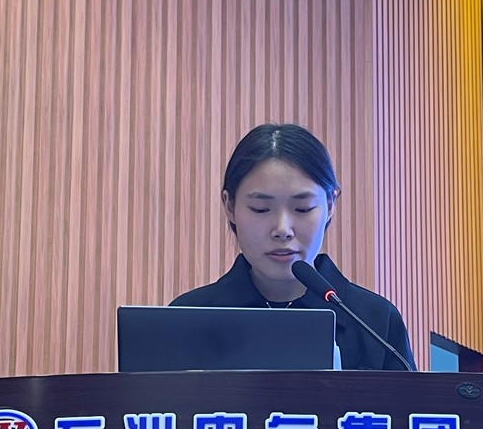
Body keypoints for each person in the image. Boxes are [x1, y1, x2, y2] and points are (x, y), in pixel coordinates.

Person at [171, 123, 415, 371]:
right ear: (230, 206)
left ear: (330, 205)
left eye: (302, 209)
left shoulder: (375, 323)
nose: (282, 229)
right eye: (261, 209)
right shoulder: (186, 318)